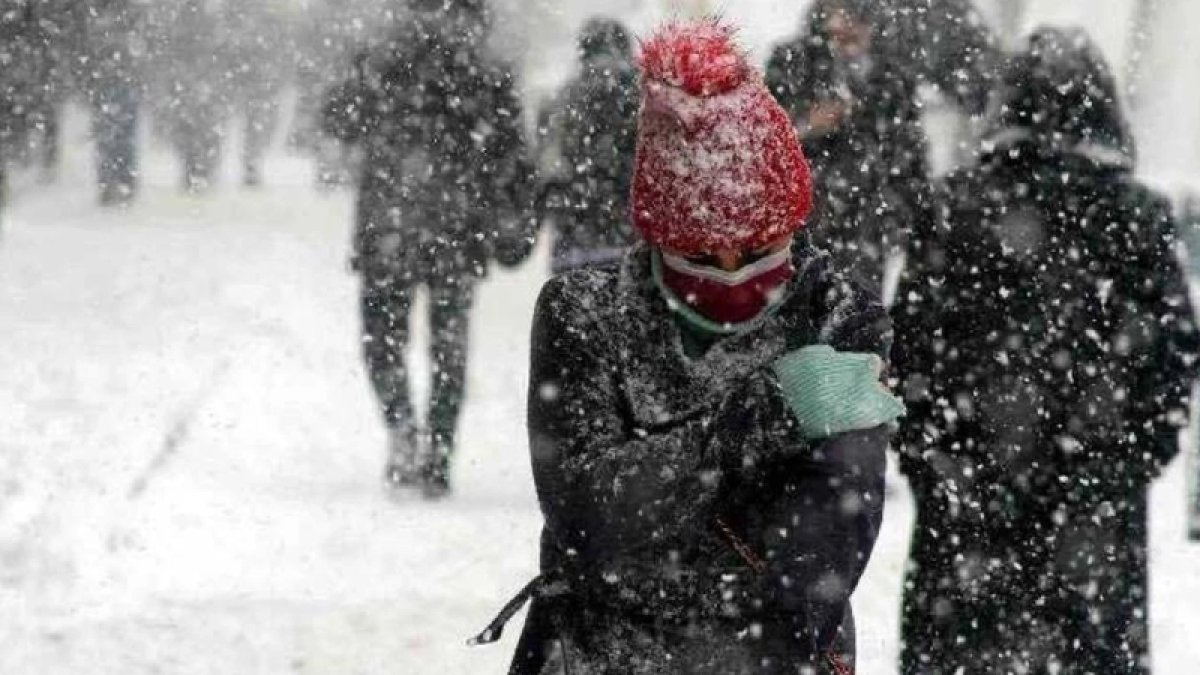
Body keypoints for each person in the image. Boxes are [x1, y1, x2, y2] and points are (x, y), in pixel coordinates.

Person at [475, 20, 904, 674]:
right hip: (596, 653)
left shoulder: (838, 314)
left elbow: (827, 535)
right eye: (702, 254)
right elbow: (590, 517)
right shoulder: (582, 313)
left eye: (760, 249)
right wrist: (770, 411)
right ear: (657, 234)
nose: (733, 271)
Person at [891, 27, 1200, 674]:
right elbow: (1173, 355)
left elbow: (907, 352)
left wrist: (936, 456)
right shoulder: (1133, 215)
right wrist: (1127, 458)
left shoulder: (952, 211)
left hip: (967, 499)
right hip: (1092, 509)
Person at [323, 0, 530, 498]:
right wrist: (511, 220)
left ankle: (401, 429)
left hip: (388, 223)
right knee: (448, 345)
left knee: (382, 337)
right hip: (454, 228)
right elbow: (512, 153)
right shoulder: (482, 68)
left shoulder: (380, 57)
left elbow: (338, 119)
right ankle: (438, 449)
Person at [765, 0, 997, 294]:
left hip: (866, 227)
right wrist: (806, 124)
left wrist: (915, 220)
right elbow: (761, 140)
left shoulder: (893, 77)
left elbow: (911, 156)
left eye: (855, 18)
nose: (842, 26)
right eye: (836, 14)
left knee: (854, 316)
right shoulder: (793, 61)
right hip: (804, 219)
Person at [535, 18, 639, 273]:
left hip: (573, 243)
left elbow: (546, 170)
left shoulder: (560, 102)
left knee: (574, 309)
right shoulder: (644, 97)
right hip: (631, 246)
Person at [78, 0, 142, 206]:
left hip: (115, 79)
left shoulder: (101, 12)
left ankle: (116, 180)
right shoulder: (102, 11)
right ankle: (116, 179)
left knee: (115, 132)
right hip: (111, 79)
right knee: (115, 132)